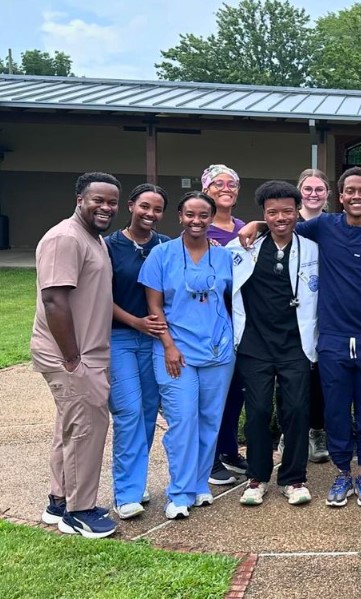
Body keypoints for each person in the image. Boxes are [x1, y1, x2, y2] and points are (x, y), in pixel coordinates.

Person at [237, 167, 361, 508]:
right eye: (350, 191)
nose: (356, 196)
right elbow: (283, 224)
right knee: (336, 413)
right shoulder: (324, 227)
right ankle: (342, 472)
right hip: (331, 340)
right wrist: (255, 224)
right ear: (340, 197)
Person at [33, 172, 121, 539]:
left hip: (85, 353)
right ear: (79, 199)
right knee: (87, 429)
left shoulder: (92, 238)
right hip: (72, 355)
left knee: (70, 428)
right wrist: (73, 360)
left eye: (111, 202)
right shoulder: (64, 238)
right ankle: (80, 511)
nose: (105, 207)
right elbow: (54, 299)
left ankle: (59, 500)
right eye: (97, 200)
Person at [139, 191, 235, 520]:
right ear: (179, 216)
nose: (197, 221)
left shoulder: (224, 257)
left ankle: (198, 484)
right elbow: (153, 308)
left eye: (203, 215)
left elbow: (231, 301)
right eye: (190, 214)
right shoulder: (160, 255)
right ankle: (179, 493)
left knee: (210, 420)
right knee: (182, 421)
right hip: (175, 351)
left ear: (212, 218)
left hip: (218, 350)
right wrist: (167, 344)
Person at [229, 181, 319, 507]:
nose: (280, 217)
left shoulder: (312, 249)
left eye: (287, 211)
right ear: (263, 215)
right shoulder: (242, 249)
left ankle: (294, 478)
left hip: (295, 343)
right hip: (255, 343)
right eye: (272, 212)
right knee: (257, 411)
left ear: (297, 212)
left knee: (296, 409)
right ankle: (257, 477)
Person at [104, 183, 171, 520]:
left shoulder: (165, 246)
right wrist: (136, 322)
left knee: (147, 412)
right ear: (131, 206)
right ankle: (126, 493)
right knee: (128, 412)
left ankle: (136, 480)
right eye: (144, 206)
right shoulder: (109, 246)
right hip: (119, 339)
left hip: (153, 341)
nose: (150, 214)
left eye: (157, 209)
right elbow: (100, 297)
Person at [201, 164, 249, 485]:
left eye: (231, 183)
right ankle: (211, 456)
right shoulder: (200, 229)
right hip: (212, 323)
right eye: (217, 183)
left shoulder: (245, 228)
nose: (225, 187)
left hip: (244, 322)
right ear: (206, 190)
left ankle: (230, 449)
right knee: (213, 393)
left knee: (237, 392)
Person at [295, 168, 330, 464]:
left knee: (319, 374)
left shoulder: (333, 224)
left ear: (328, 194)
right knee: (292, 374)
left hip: (326, 306)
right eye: (308, 188)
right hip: (294, 307)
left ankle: (317, 431)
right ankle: (291, 431)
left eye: (319, 189)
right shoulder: (288, 222)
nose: (314, 193)